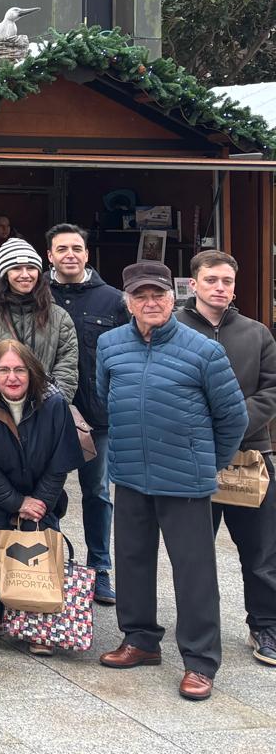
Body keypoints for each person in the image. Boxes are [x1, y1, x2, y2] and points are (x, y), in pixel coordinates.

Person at [96, 260, 247, 700]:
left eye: (158, 294)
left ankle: (200, 662)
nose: (151, 302)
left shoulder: (204, 351)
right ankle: (140, 640)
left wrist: (208, 462)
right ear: (128, 302)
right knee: (133, 561)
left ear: (173, 296)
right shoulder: (109, 345)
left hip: (185, 480)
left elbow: (233, 418)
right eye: (141, 295)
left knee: (194, 572)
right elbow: (106, 399)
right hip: (129, 475)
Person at [0, 339, 84, 653]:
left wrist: (37, 502)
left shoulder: (53, 403)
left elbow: (59, 461)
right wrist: (14, 502)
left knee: (42, 537)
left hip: (41, 495)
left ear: (32, 372)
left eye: (20, 370)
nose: (13, 377)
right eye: (4, 370)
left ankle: (40, 619)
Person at [176, 250, 276, 668]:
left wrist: (230, 426)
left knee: (262, 551)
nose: (220, 288)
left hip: (252, 455)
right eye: (212, 280)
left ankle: (266, 625)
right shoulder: (173, 329)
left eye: (227, 282)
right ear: (193, 284)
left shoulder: (257, 334)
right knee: (194, 553)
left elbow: (270, 391)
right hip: (192, 460)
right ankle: (200, 633)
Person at [45, 223, 129, 606]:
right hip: (49, 415)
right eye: (61, 249)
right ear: (50, 255)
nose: (70, 255)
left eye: (76, 248)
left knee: (97, 493)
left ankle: (100, 569)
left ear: (87, 254)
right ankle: (54, 564)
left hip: (98, 416)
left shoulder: (113, 300)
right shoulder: (37, 296)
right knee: (49, 491)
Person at [0, 239, 78, 400]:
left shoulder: (59, 316)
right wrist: (4, 402)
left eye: (31, 268)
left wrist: (51, 402)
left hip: (47, 408)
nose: (25, 275)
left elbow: (67, 367)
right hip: (0, 409)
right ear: (5, 274)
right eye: (16, 268)